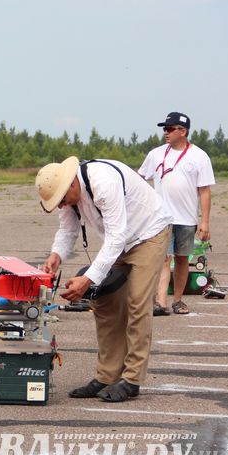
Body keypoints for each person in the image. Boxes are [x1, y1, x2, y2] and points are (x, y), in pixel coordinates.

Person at [36, 156, 171, 403]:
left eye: (61, 200)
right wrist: (56, 255)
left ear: (72, 186)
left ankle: (131, 381)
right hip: (119, 242)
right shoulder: (69, 198)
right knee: (106, 302)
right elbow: (68, 230)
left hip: (149, 234)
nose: (60, 206)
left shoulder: (103, 183)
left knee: (138, 303)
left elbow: (117, 236)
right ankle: (107, 376)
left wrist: (87, 280)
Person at [138, 112, 214, 316]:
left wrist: (204, 222)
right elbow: (139, 180)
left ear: (183, 131)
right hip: (161, 219)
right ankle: (160, 302)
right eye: (164, 128)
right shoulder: (155, 154)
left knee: (181, 259)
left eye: (170, 129)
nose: (165, 132)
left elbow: (205, 191)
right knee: (163, 258)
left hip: (187, 218)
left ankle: (178, 300)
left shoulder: (199, 156)